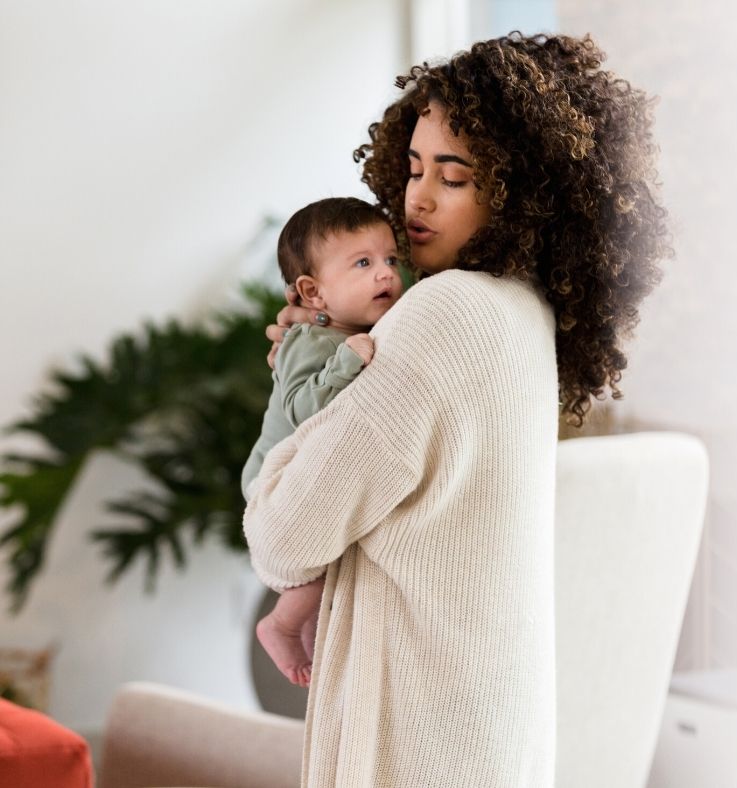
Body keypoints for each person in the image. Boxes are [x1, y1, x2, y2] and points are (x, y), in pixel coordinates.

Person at [244, 32, 670, 787]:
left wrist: (293, 407)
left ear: (522, 190)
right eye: (412, 169)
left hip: (414, 742)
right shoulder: (522, 312)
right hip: (485, 733)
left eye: (455, 176)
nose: (418, 199)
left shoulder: (443, 313)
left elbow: (282, 537)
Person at [242, 197, 404, 687]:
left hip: (306, 468)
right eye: (363, 263)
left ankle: (314, 655)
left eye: (391, 260)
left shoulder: (360, 327)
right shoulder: (308, 342)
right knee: (320, 555)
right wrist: (344, 363)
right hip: (275, 471)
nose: (386, 275)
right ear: (313, 292)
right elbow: (299, 410)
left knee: (331, 570)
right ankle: (281, 624)